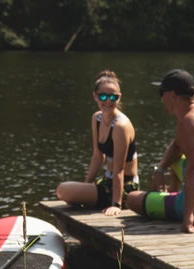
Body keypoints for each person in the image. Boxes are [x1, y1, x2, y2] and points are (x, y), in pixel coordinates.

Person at [126, 69, 194, 234]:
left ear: (172, 96)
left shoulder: (192, 121)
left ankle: (179, 202)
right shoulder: (191, 114)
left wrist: (188, 216)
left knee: (132, 199)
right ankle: (174, 193)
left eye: (161, 93)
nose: (161, 99)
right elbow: (177, 145)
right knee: (178, 156)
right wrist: (160, 169)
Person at [56, 70, 138, 217]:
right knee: (65, 191)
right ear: (95, 96)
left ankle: (115, 200)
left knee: (63, 190)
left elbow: (120, 169)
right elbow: (97, 157)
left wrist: (116, 204)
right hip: (108, 181)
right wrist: (86, 185)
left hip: (125, 186)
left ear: (119, 98)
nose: (108, 101)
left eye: (113, 97)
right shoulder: (97, 118)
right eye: (103, 96)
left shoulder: (121, 126)